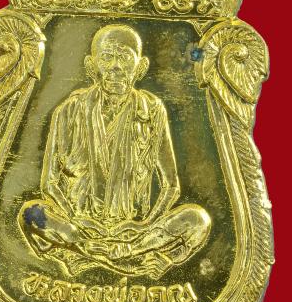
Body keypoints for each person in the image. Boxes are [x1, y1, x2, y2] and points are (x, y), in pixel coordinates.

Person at [19, 24, 211, 279]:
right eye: (107, 57)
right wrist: (75, 220)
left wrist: (144, 225)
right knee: (32, 213)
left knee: (197, 219)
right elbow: (50, 184)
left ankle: (97, 257)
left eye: (125, 58)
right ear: (91, 66)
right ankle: (116, 257)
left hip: (135, 233)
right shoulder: (69, 110)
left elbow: (171, 185)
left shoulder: (152, 110)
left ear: (140, 67)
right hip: (82, 230)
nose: (116, 67)